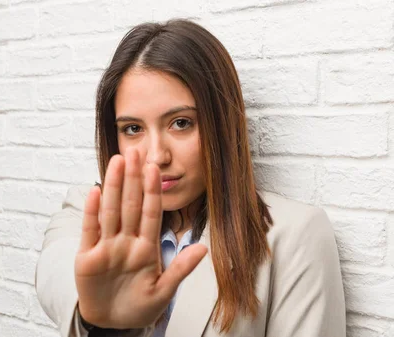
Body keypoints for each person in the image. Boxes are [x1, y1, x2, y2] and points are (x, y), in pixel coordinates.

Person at [34, 19, 346, 337]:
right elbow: (56, 272)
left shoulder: (294, 234)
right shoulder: (90, 210)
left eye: (181, 123)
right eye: (133, 128)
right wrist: (100, 321)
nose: (157, 156)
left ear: (220, 123)